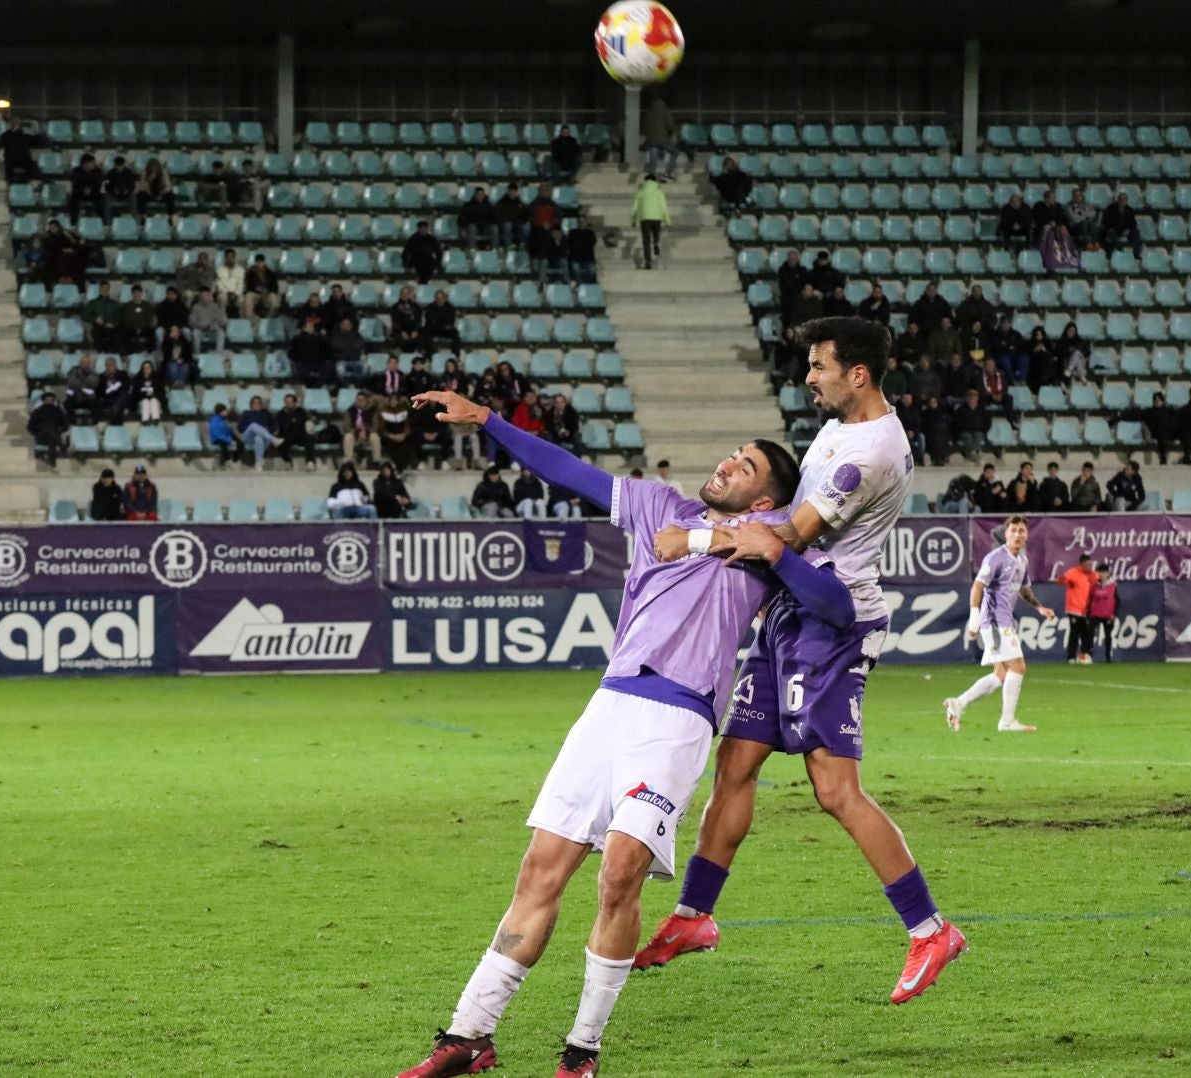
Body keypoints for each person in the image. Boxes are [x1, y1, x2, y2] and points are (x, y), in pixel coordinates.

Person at [397, 386, 848, 1078]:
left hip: (677, 719)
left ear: (767, 502)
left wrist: (771, 552)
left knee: (618, 873)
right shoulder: (659, 505)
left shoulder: (770, 542)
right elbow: (570, 473)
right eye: (731, 456)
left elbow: (836, 606)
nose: (728, 465)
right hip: (606, 707)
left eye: (746, 466)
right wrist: (488, 420)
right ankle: (469, 1035)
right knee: (540, 870)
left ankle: (582, 1051)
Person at [633, 317, 963, 1006]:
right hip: (791, 615)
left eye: (819, 366)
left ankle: (930, 929)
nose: (809, 377)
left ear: (858, 374)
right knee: (737, 763)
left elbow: (790, 532)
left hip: (832, 622)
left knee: (834, 789)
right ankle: (694, 917)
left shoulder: (867, 452)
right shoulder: (843, 427)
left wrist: (696, 539)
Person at [944, 515, 1059, 733]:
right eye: (1013, 530)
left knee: (1002, 674)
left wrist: (1040, 607)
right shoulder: (995, 558)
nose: (1017, 534)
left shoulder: (1022, 560)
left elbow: (1024, 589)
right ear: (1006, 534)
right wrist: (975, 616)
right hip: (995, 621)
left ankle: (957, 703)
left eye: (1021, 531)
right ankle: (1007, 722)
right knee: (1018, 667)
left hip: (1004, 620)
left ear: (1027, 535)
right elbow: (977, 586)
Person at [1058, 553, 1101, 664]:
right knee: (1074, 633)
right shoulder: (1072, 573)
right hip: (1074, 608)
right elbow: (1060, 580)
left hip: (1088, 609)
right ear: (1081, 564)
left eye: (1090, 564)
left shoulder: (1094, 575)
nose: (1089, 567)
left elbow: (1100, 584)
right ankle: (1071, 656)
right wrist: (1065, 581)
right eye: (1087, 564)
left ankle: (1085, 655)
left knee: (1087, 633)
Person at [632, 174, 669, 270]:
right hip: (657, 217)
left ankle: (648, 261)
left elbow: (635, 207)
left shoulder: (641, 191)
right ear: (654, 181)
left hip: (645, 217)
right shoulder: (658, 191)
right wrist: (667, 220)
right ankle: (656, 242)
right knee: (656, 234)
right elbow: (663, 206)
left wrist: (633, 219)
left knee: (646, 240)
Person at [642, 91, 680, 178]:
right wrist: (674, 133)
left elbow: (645, 126)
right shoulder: (664, 110)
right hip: (662, 139)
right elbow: (670, 124)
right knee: (675, 152)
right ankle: (668, 172)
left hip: (651, 139)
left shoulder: (649, 111)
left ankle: (651, 175)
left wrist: (646, 136)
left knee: (653, 155)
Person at [29, 391, 70, 465]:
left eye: (52, 400)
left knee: (51, 436)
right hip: (41, 436)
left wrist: (60, 429)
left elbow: (65, 425)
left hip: (54, 435)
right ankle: (64, 449)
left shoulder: (57, 411)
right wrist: (40, 428)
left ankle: (52, 462)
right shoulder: (38, 411)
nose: (50, 402)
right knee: (47, 428)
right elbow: (30, 426)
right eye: (48, 400)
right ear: (43, 401)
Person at [1086, 574, 1119, 664]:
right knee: (1090, 632)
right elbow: (1089, 599)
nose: (1102, 575)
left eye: (1104, 573)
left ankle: (1108, 657)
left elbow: (1117, 600)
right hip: (1095, 614)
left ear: (1108, 574)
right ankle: (1088, 655)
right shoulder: (1094, 586)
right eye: (1100, 573)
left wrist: (1114, 613)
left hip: (1107, 614)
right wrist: (1088, 613)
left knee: (1108, 635)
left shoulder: (1113, 585)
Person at [240, 395, 278, 467]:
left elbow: (274, 425)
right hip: (248, 438)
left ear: (261, 405)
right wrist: (255, 429)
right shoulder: (246, 413)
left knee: (258, 437)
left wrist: (266, 430)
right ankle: (273, 439)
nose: (257, 405)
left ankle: (259, 463)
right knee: (253, 425)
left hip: (263, 439)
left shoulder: (266, 414)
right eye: (255, 403)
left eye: (259, 403)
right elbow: (241, 427)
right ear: (251, 405)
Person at [402, 220, 442, 285]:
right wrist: (408, 267)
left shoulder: (432, 239)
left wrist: (437, 266)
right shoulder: (412, 239)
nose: (424, 230)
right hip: (416, 262)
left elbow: (439, 253)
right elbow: (405, 254)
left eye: (425, 229)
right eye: (422, 229)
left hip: (428, 262)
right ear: (419, 229)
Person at [423, 290, 460, 355]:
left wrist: (443, 325)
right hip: (433, 329)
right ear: (435, 298)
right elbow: (429, 321)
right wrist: (440, 325)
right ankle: (428, 355)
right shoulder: (429, 307)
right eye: (438, 298)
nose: (439, 300)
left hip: (446, 330)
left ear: (445, 298)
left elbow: (451, 321)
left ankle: (455, 355)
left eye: (441, 298)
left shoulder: (450, 307)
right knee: (426, 332)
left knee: (455, 333)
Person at [493, 183, 528, 250]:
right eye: (510, 191)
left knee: (525, 226)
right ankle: (508, 245)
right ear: (508, 191)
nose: (512, 193)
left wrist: (523, 221)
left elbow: (524, 215)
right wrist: (504, 220)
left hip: (516, 223)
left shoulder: (519, 203)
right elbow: (497, 215)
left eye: (514, 191)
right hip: (504, 223)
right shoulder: (501, 202)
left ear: (516, 192)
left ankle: (522, 244)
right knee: (508, 225)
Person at [565, 218, 598, 285]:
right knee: (576, 268)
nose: (581, 223)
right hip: (575, 258)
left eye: (583, 222)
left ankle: (586, 284)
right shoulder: (573, 232)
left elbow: (592, 243)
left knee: (592, 269)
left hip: (588, 259)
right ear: (578, 223)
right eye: (580, 222)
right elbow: (569, 244)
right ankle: (580, 284)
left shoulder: (590, 233)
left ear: (586, 223)